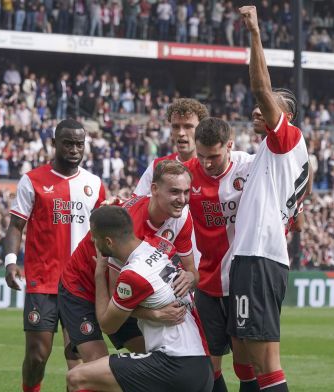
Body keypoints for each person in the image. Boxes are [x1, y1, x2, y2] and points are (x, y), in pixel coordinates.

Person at [227, 6, 311, 392]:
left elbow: (261, 87)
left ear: (286, 115)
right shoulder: (269, 154)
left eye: (269, 106)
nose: (258, 108)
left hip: (260, 257)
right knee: (243, 355)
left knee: (264, 361)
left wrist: (255, 34)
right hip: (254, 257)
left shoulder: (287, 139)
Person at [59, 159, 199, 362]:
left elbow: (192, 272)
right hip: (82, 286)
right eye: (175, 192)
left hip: (124, 296)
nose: (182, 199)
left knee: (153, 361)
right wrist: (155, 314)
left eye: (187, 192)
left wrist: (190, 278)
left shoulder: (183, 217)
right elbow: (116, 297)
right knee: (94, 371)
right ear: (154, 189)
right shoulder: (130, 227)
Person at [2, 118, 106, 392]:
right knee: (37, 355)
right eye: (68, 143)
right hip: (43, 281)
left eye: (79, 144)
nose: (74, 149)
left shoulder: (94, 184)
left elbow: (103, 234)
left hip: (81, 284)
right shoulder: (32, 180)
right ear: (54, 144)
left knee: (78, 357)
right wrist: (11, 262)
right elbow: (16, 225)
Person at [66, 206, 213, 392]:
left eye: (94, 238)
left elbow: (107, 324)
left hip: (174, 364)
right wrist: (154, 314)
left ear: (108, 242)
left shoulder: (134, 275)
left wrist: (98, 273)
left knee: (77, 377)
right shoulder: (158, 247)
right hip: (199, 363)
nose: (93, 241)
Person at [185, 117, 256, 392]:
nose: (206, 163)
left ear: (229, 145)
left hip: (243, 280)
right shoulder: (187, 173)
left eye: (213, 156)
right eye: (201, 156)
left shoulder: (250, 167)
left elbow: (295, 166)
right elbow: (154, 199)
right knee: (208, 363)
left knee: (245, 360)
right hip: (208, 281)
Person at [132, 98, 209, 197]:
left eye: (188, 126)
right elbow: (135, 203)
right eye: (176, 127)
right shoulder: (157, 166)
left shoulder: (213, 166)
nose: (181, 133)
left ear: (201, 129)